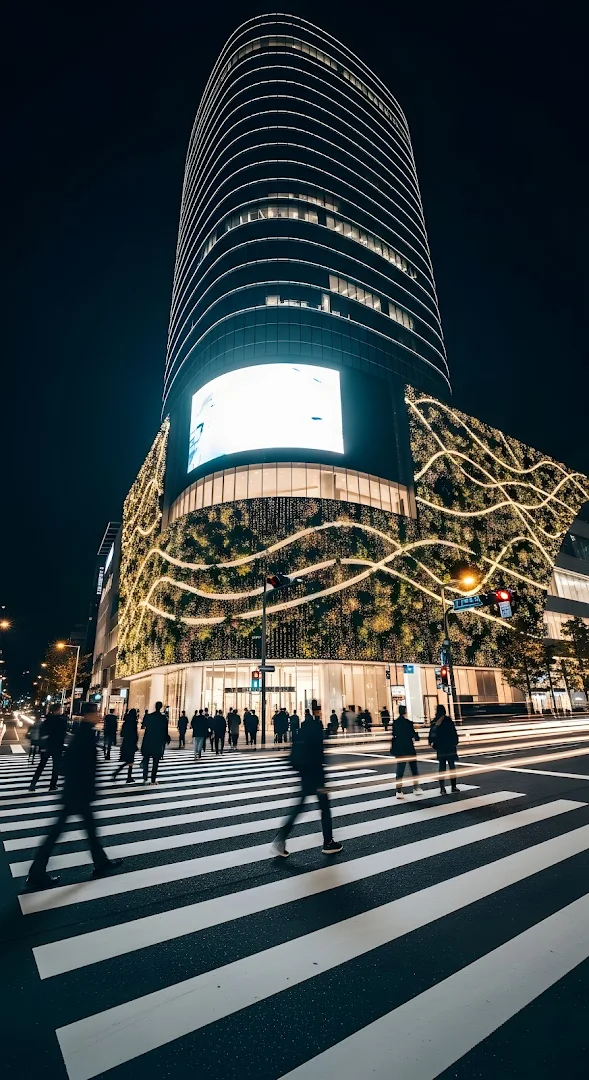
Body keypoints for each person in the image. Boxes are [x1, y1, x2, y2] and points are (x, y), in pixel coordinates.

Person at [25, 702, 123, 891]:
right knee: (60, 833)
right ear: (88, 715)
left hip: (75, 792)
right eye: (96, 713)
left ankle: (100, 862)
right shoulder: (84, 735)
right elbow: (80, 765)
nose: (99, 716)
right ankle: (37, 872)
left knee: (84, 831)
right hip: (78, 793)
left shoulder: (83, 732)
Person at [272, 710, 342, 857]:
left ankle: (281, 838)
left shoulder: (300, 731)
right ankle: (328, 842)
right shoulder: (317, 729)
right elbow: (320, 752)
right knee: (324, 809)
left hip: (305, 774)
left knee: (299, 807)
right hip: (317, 775)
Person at [29, 704, 68, 792]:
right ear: (58, 710)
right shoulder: (61, 721)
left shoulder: (46, 720)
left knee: (41, 765)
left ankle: (33, 784)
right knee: (56, 767)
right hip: (57, 746)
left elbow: (42, 733)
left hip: (46, 746)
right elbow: (62, 734)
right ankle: (52, 785)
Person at [391, 704, 423, 799]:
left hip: (400, 749)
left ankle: (399, 791)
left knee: (400, 770)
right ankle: (416, 787)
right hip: (409, 748)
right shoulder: (409, 723)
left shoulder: (395, 723)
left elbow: (394, 734)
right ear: (405, 712)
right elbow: (414, 736)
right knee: (414, 769)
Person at [429, 704, 459, 794]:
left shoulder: (435, 722)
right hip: (450, 746)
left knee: (442, 767)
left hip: (440, 747)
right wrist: (455, 742)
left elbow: (431, 735)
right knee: (452, 767)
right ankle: (453, 786)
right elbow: (454, 732)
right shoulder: (448, 720)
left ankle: (442, 788)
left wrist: (434, 744)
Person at [141, 701, 169, 784]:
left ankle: (145, 776)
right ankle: (153, 779)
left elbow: (143, 725)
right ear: (160, 707)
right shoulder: (163, 718)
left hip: (148, 740)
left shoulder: (149, 716)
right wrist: (166, 738)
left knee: (146, 759)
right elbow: (165, 730)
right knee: (155, 761)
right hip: (157, 741)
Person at [112, 708, 138, 783]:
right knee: (130, 761)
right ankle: (127, 776)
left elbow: (122, 734)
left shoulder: (126, 722)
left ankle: (124, 775)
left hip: (126, 742)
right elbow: (135, 734)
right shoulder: (133, 723)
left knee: (129, 761)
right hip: (131, 743)